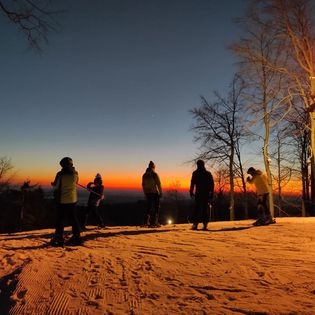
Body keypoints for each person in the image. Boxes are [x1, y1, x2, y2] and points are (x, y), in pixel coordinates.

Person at [50, 157, 82, 246]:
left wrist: (53, 184)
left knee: (60, 219)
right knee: (73, 218)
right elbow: (75, 183)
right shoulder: (76, 173)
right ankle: (77, 237)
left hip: (62, 200)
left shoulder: (60, 174)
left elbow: (56, 186)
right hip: (73, 200)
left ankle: (59, 238)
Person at [189, 160, 214, 230]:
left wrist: (191, 191)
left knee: (197, 209)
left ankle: (195, 225)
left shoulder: (195, 173)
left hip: (198, 193)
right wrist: (211, 193)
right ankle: (205, 225)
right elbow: (212, 184)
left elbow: (192, 183)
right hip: (206, 194)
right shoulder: (208, 173)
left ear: (197, 165)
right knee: (204, 209)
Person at [142, 161, 162, 227]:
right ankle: (155, 222)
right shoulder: (154, 174)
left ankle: (146, 222)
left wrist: (145, 192)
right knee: (156, 207)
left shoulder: (144, 175)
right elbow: (158, 184)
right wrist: (160, 192)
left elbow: (143, 185)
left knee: (148, 207)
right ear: (153, 166)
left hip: (148, 193)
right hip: (155, 192)